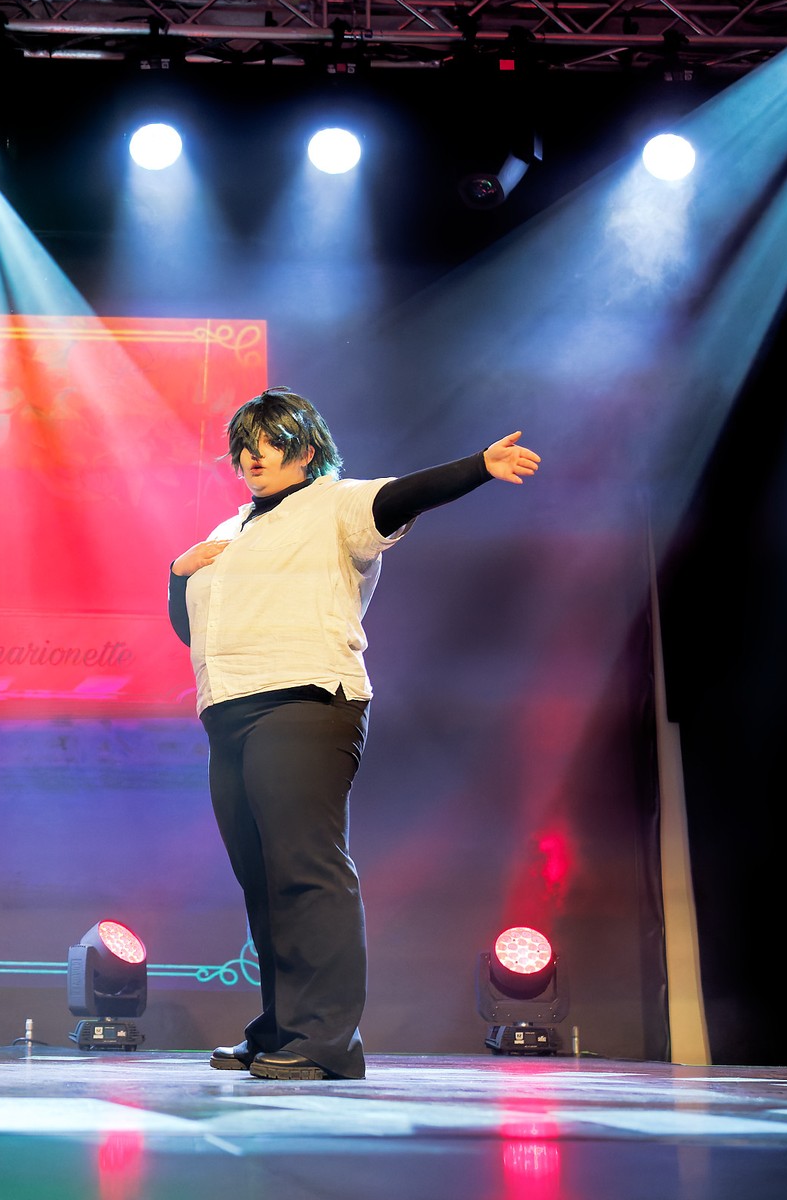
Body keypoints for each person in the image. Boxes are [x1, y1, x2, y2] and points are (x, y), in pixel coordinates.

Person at [168, 387, 539, 1081]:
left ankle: (327, 1040)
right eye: (243, 444)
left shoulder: (335, 503)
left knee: (305, 868)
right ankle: (280, 1026)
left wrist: (479, 466)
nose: (252, 455)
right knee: (262, 878)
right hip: (229, 710)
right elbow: (196, 630)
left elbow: (401, 496)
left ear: (307, 450)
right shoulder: (231, 529)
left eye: (269, 440)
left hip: (304, 699)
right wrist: (175, 576)